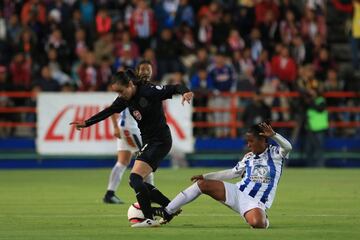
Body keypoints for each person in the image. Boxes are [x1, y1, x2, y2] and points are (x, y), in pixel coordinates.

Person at [70, 70, 193, 228]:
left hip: (160, 140)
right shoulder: (125, 98)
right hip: (150, 141)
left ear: (130, 85)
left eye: (121, 91)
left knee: (135, 179)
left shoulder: (148, 91)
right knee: (134, 181)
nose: (120, 95)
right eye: (117, 92)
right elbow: (109, 111)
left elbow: (175, 87)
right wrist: (86, 123)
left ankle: (149, 218)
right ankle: (169, 207)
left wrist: (186, 92)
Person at [153, 122, 292, 229]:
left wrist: (274, 135)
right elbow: (232, 173)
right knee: (202, 185)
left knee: (258, 224)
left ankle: (261, 217)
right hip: (237, 192)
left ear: (263, 140)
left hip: (255, 201)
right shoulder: (249, 157)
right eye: (247, 142)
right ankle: (168, 211)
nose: (249, 145)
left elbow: (288, 147)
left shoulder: (276, 154)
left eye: (251, 141)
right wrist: (205, 176)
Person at [103, 61, 155, 204]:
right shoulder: (137, 87)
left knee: (123, 161)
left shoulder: (136, 86)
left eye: (148, 69)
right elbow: (113, 108)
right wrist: (115, 127)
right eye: (143, 69)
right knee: (147, 160)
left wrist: (115, 127)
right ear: (138, 72)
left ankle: (109, 194)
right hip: (130, 129)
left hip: (125, 128)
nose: (146, 72)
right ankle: (152, 193)